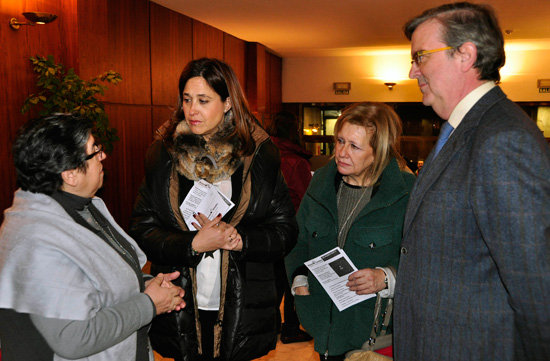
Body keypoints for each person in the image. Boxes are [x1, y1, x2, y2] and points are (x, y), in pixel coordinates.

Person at [394, 3, 550, 361]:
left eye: (420, 56)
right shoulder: (462, 130)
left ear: (465, 55)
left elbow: (536, 286)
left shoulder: (501, 138)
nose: (411, 69)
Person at [129, 58, 297, 361]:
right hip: (180, 301)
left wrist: (241, 239)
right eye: (187, 99)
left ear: (228, 102)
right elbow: (142, 227)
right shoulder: (162, 155)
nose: (192, 110)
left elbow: (285, 231)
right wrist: (192, 244)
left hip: (241, 304)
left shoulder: (259, 156)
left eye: (203, 101)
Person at [0, 114, 185, 361]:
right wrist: (148, 304)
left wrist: (142, 284)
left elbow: (91, 280)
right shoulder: (37, 241)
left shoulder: (81, 207)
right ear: (71, 174)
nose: (103, 156)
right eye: (94, 150)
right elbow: (74, 338)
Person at [285, 102, 416, 360]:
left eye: (354, 146)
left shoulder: (406, 192)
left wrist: (386, 277)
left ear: (378, 152)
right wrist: (299, 282)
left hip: (373, 332)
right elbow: (297, 240)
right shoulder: (320, 182)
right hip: (324, 326)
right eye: (340, 141)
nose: (342, 153)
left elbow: (422, 256)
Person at [267, 111, 313, 344]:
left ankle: (272, 325)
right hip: (291, 227)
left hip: (266, 227)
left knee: (273, 279)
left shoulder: (263, 155)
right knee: (292, 277)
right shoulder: (296, 162)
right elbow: (308, 200)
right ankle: (291, 327)